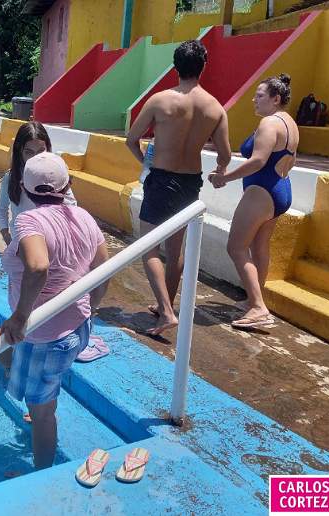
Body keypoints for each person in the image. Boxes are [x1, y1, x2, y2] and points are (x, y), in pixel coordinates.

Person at [0, 152, 109, 471]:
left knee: (42, 414)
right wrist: (92, 309)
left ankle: (41, 475)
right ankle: (35, 390)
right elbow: (104, 268)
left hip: (43, 335)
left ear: (23, 188)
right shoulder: (84, 217)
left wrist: (19, 318)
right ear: (68, 185)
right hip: (78, 327)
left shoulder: (28, 221)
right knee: (5, 354)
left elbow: (38, 266)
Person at [125, 39, 232, 335]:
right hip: (190, 182)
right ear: (203, 67)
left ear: (175, 67)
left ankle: (166, 312)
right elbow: (224, 155)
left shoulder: (160, 101)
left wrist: (145, 163)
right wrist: (220, 171)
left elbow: (131, 139)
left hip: (161, 179)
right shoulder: (215, 108)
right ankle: (166, 306)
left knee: (148, 246)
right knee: (176, 250)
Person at [209, 74, 298, 328]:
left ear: (275, 98)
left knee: (236, 247)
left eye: (259, 96)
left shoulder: (269, 123)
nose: (254, 100)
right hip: (280, 189)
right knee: (260, 247)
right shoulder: (290, 122)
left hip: (262, 191)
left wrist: (224, 178)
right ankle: (253, 300)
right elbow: (291, 159)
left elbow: (258, 160)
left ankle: (258, 308)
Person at [0, 122, 83, 372]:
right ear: (19, 152)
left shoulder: (55, 179)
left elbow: (72, 207)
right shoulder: (12, 178)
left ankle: (37, 352)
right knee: (20, 300)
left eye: (41, 151)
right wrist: (7, 236)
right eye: (28, 152)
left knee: (46, 300)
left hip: (50, 251)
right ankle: (20, 350)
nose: (35, 157)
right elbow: (1, 209)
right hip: (22, 252)